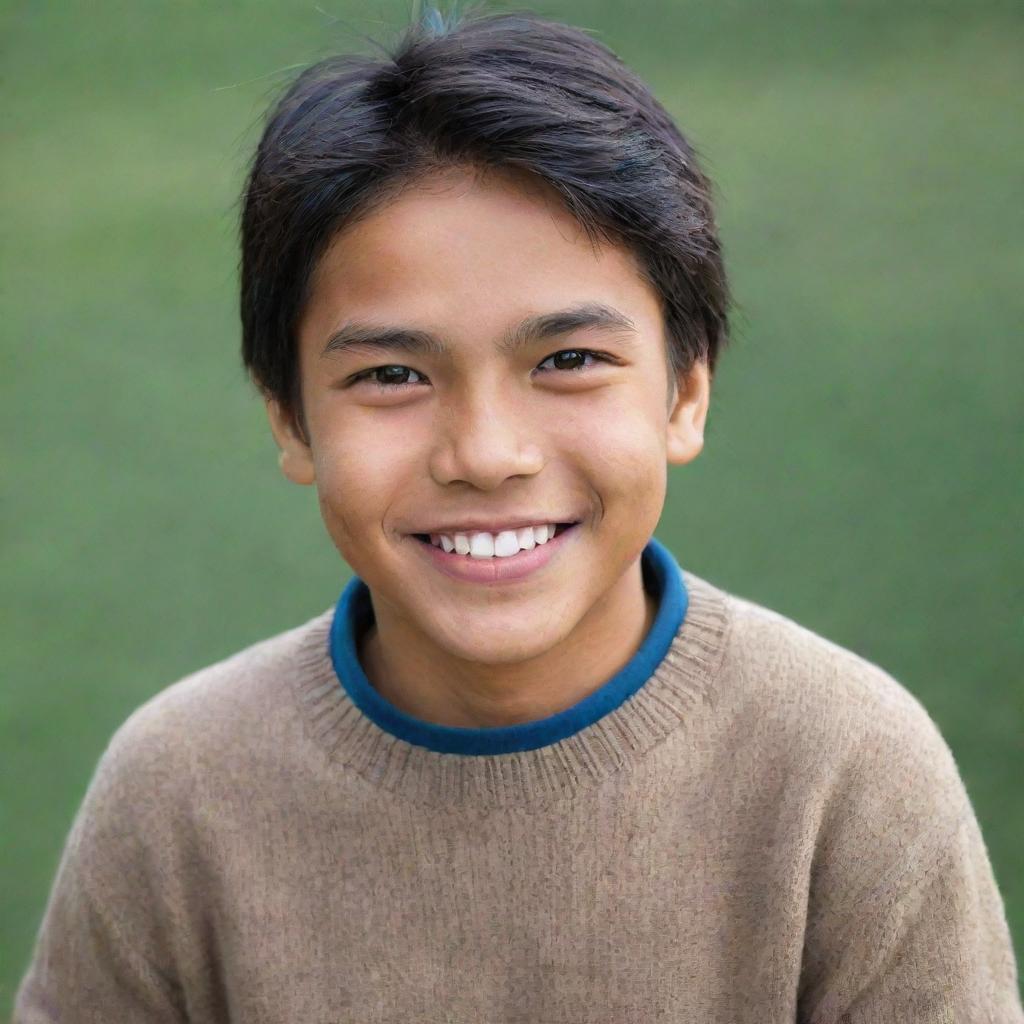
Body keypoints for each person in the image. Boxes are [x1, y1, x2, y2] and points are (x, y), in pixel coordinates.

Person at [14, 5, 1023, 1022]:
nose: (487, 453)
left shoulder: (845, 773)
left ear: (685, 392)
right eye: (393, 373)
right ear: (290, 416)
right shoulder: (178, 790)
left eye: (569, 360)